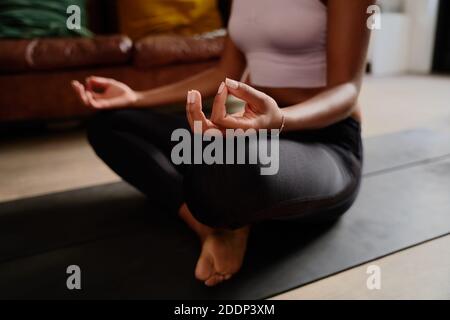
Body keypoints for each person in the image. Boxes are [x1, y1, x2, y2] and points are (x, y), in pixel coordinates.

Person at [72, 0, 373, 287]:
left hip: (326, 143)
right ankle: (212, 228)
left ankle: (231, 208)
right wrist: (135, 97)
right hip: (255, 133)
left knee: (228, 162)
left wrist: (280, 118)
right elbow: (224, 73)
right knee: (110, 122)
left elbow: (345, 90)